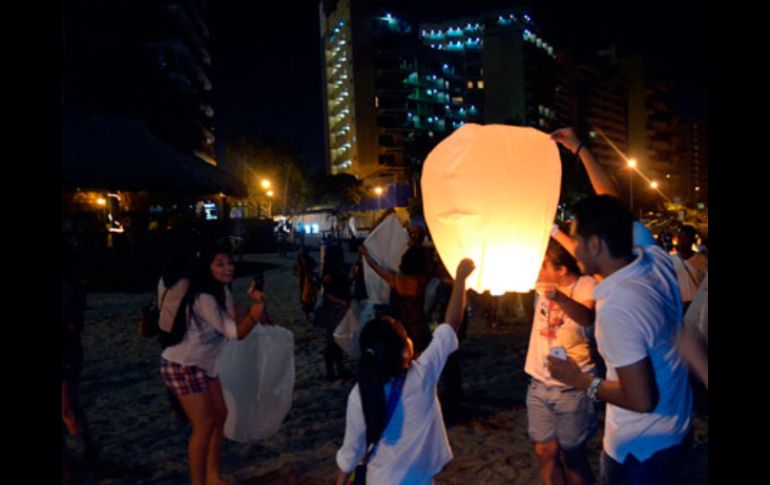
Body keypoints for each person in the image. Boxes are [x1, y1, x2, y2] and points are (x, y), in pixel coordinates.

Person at [547, 127, 692, 485]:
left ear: (595, 244)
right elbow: (611, 202)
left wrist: (582, 381)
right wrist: (580, 149)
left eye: (576, 238)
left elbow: (641, 397)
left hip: (640, 450)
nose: (573, 247)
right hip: (678, 427)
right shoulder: (651, 258)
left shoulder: (616, 308)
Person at [335, 259, 476, 485]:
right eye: (405, 336)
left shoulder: (359, 394)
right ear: (404, 352)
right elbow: (452, 324)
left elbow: (350, 453)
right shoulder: (423, 375)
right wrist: (460, 279)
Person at [159, 244, 268, 485]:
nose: (228, 268)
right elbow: (235, 332)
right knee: (204, 425)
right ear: (207, 267)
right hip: (182, 364)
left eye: (229, 263)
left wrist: (252, 310)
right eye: (220, 264)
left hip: (204, 365)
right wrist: (255, 310)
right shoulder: (204, 297)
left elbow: (228, 314)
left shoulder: (220, 291)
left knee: (220, 415)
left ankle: (213, 475)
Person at [525, 239, 598, 485]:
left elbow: (587, 317)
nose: (538, 270)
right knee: (544, 452)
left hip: (572, 388)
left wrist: (558, 297)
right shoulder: (538, 284)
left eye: (544, 265)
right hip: (539, 383)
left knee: (573, 455)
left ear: (562, 269)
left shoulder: (586, 284)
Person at [62, 240, 100, 482]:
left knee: (68, 403)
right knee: (70, 403)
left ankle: (70, 468)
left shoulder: (67, 283)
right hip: (69, 346)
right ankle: (88, 450)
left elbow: (71, 318)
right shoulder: (72, 280)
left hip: (65, 346)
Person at [360, 230, 433, 353]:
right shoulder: (421, 281)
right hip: (418, 326)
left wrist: (365, 254)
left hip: (400, 327)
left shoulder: (395, 279)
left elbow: (375, 266)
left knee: (402, 354)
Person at [318, 243, 352, 380]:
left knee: (336, 341)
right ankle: (331, 371)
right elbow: (327, 294)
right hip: (334, 308)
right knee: (333, 341)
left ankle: (338, 369)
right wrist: (341, 302)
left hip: (339, 307)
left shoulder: (337, 268)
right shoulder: (330, 271)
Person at [671, 225, 708, 313]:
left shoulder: (703, 261)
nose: (681, 242)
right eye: (680, 238)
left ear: (692, 240)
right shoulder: (669, 261)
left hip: (699, 309)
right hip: (678, 309)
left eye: (685, 238)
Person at [294, 246, 318, 321]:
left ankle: (307, 312)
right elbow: (296, 270)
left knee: (307, 297)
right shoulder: (300, 261)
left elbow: (314, 267)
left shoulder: (308, 260)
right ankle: (307, 313)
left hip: (308, 280)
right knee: (305, 297)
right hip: (304, 281)